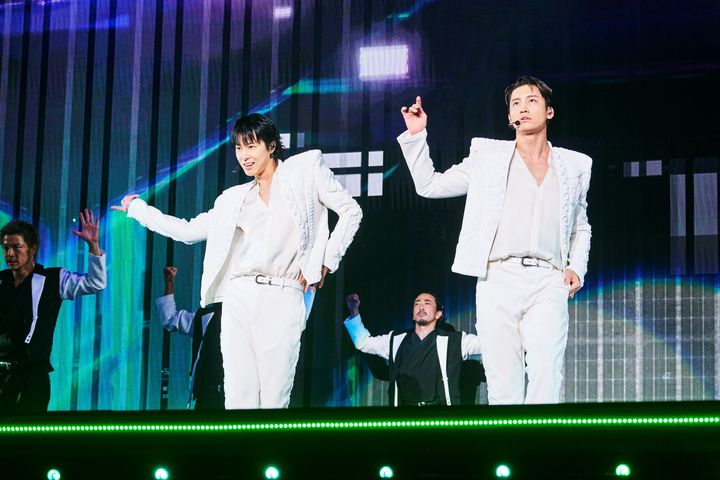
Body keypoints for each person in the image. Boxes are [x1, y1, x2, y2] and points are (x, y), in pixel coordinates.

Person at [113, 113, 362, 409]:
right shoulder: (233, 199)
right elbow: (187, 231)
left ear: (271, 146)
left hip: (284, 294)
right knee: (238, 399)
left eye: (251, 146)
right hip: (239, 297)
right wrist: (138, 210)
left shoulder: (305, 172)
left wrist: (326, 260)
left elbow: (351, 211)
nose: (244, 155)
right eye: (239, 148)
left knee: (274, 399)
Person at [398, 76, 592, 405]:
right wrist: (417, 136)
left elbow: (580, 225)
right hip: (498, 276)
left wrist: (577, 266)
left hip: (549, 278)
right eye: (516, 103)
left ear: (549, 111)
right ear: (509, 117)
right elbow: (430, 185)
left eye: (531, 100)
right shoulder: (487, 160)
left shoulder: (574, 167)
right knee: (503, 380)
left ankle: (542, 435)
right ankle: (509, 437)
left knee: (547, 369)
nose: (523, 107)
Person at [0, 211, 106, 411]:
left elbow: (95, 283)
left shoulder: (53, 279)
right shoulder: (1, 280)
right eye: (5, 248)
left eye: (16, 247)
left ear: (32, 249)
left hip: (32, 377)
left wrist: (93, 245)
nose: (10, 254)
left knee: (29, 429)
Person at [342, 292, 482, 406]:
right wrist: (354, 310)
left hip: (441, 416)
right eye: (417, 303)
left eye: (427, 303)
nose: (421, 307)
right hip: (406, 417)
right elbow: (363, 342)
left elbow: (484, 345)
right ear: (413, 314)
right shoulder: (396, 340)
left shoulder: (454, 341)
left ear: (438, 314)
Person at [154, 266, 224, 410]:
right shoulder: (206, 317)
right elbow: (170, 319)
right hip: (208, 398)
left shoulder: (250, 319)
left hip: (239, 399)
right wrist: (169, 283)